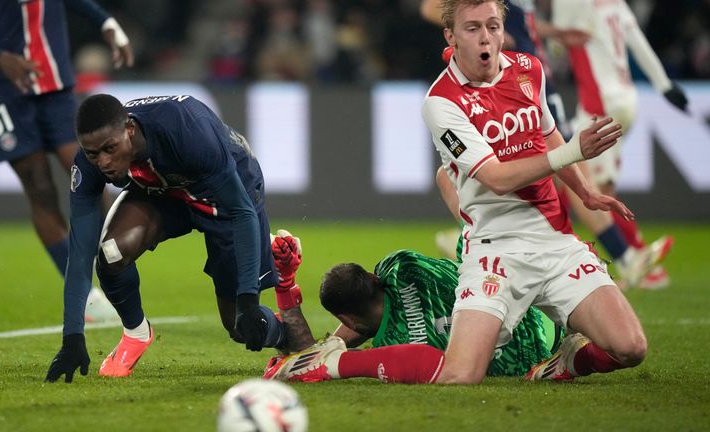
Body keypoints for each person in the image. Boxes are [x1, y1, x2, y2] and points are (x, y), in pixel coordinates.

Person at [268, 0, 647, 385]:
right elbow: (497, 178)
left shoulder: (528, 69)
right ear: (451, 36)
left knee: (631, 347)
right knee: (461, 373)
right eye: (473, 28)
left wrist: (585, 191)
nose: (486, 37)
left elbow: (548, 135)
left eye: (493, 26)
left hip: (554, 241)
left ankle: (570, 360)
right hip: (495, 250)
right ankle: (331, 364)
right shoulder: (442, 102)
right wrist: (575, 151)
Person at [424, 0, 670, 291]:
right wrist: (482, 32)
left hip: (525, 77)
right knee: (464, 173)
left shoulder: (527, 56)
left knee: (555, 168)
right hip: (498, 81)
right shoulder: (444, 94)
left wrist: (554, 33)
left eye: (492, 25)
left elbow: (525, 24)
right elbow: (430, 8)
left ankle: (609, 253)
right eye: (473, 27)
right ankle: (621, 255)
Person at [44, 94, 292, 382]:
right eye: (93, 154)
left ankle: (290, 332)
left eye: (110, 149)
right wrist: (72, 337)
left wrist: (248, 301)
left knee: (239, 326)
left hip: (224, 197)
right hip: (165, 192)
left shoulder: (187, 132)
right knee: (111, 252)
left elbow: (241, 211)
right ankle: (136, 333)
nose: (104, 162)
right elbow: (80, 253)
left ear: (130, 130)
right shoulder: (90, 162)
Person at [0, 0, 135, 321]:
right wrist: (0, 58)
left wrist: (105, 21)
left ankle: (107, 266)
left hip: (52, 81)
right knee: (39, 185)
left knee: (89, 169)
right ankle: (84, 294)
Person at [264, 230, 562, 383]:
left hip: (535, 356)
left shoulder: (392, 347)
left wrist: (285, 283)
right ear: (373, 277)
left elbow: (319, 353)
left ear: (348, 318)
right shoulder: (401, 264)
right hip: (538, 306)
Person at [551, 0, 689, 289]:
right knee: (590, 182)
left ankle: (637, 260)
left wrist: (554, 40)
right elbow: (639, 45)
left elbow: (556, 47)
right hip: (626, 99)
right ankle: (632, 258)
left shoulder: (571, 3)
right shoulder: (616, 4)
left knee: (580, 181)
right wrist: (664, 85)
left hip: (599, 105)